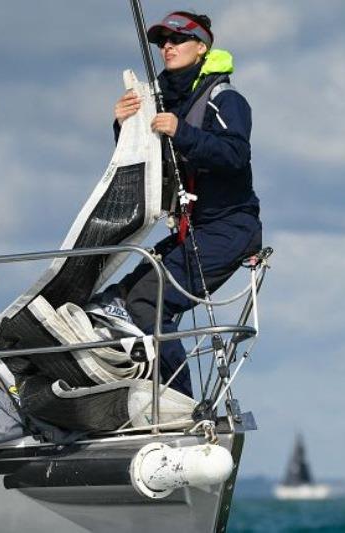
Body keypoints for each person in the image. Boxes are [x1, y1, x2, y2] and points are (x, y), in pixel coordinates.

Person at [111, 11, 262, 398]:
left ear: (201, 47)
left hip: (228, 230)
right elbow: (146, 165)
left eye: (177, 40)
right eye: (163, 41)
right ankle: (134, 401)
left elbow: (234, 155)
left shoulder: (224, 99)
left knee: (148, 305)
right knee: (119, 301)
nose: (167, 47)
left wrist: (182, 132)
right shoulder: (160, 100)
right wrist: (122, 125)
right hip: (187, 231)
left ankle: (177, 404)